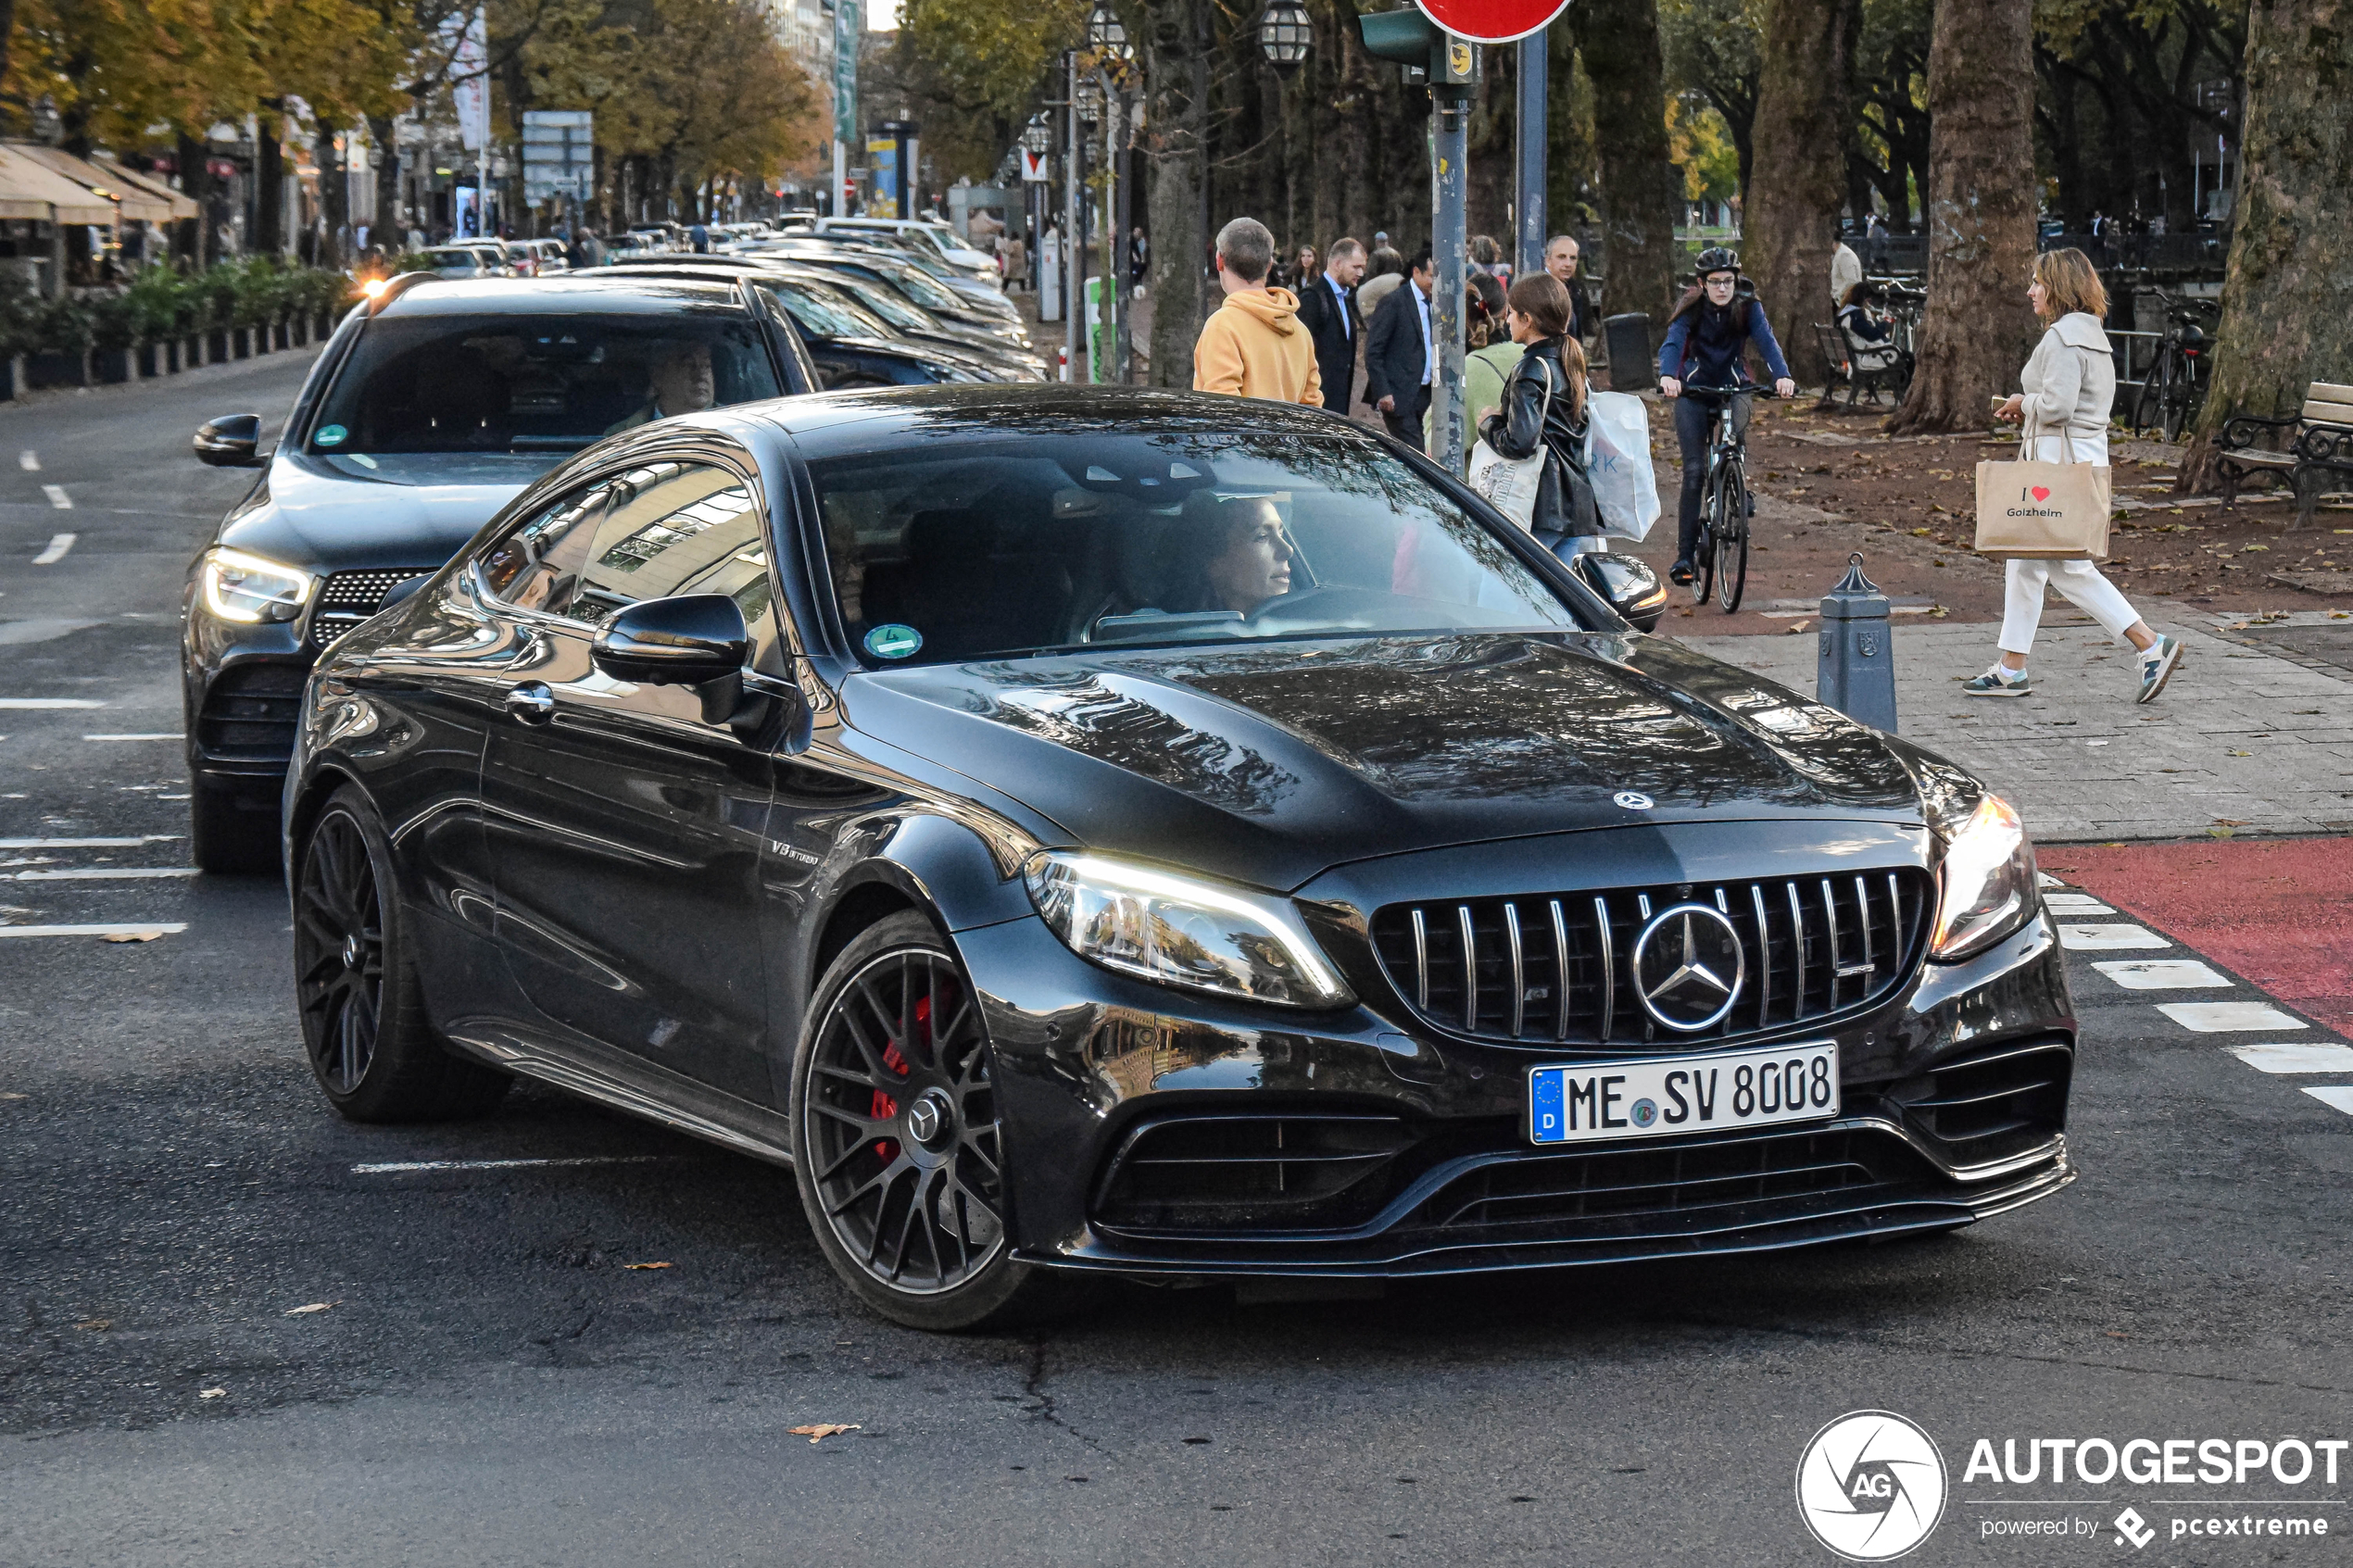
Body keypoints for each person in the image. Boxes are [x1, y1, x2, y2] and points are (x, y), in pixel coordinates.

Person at [1965, 248, 2183, 703]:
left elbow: (2059, 407)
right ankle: (2011, 667)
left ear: (2059, 288)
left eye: (2038, 282)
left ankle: (2149, 644)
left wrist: (2023, 403)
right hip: (2080, 455)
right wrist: (2024, 402)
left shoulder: (2061, 338)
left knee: (2066, 565)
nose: (2030, 290)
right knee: (2024, 560)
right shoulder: (2094, 335)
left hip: (2054, 460)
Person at [1655, 246, 1796, 584]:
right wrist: (1668, 376)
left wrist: (1782, 375)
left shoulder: (1749, 306)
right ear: (1702, 284)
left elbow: (1766, 341)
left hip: (1734, 386)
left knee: (1738, 420)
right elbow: (1673, 343)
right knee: (1693, 472)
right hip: (1693, 390)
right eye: (1715, 282)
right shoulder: (1690, 306)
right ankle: (1685, 557)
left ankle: (1737, 480)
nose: (1723, 289)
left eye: (1729, 281)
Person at [1477, 272, 1600, 558]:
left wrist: (1489, 422)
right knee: (1562, 598)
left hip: (1539, 503)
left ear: (1527, 319)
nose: (1506, 319)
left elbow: (1520, 442)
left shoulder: (1531, 368)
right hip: (1576, 506)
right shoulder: (1571, 362)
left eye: (1511, 313)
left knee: (1504, 590)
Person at [1191, 216, 1322, 406]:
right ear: (1269, 266)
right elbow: (1312, 407)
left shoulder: (1223, 326)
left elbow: (1222, 412)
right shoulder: (1300, 331)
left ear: (1219, 260)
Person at [1168, 495, 1295, 615]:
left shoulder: (1304, 628)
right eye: (1262, 537)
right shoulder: (1182, 635)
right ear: (1213, 563)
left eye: (1281, 534)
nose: (1288, 550)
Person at [1364, 249, 1437, 449]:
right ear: (1416, 273)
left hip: (1428, 396)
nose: (1435, 282)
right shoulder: (1393, 302)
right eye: (1432, 276)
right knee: (1417, 455)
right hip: (1400, 397)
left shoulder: (1438, 303)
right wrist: (1384, 392)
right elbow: (1373, 351)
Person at [1296, 236, 1365, 419]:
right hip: (1315, 408)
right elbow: (1299, 355)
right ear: (1338, 263)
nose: (1361, 273)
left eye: (1362, 268)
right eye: (1356, 267)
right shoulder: (1312, 299)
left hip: (1338, 408)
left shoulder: (1345, 299)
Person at [605, 342, 717, 433]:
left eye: (706, 366)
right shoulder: (620, 436)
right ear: (657, 376)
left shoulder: (732, 427)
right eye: (688, 365)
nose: (701, 376)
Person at [1542, 233, 1591, 342]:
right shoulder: (1538, 289)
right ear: (1548, 260)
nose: (1568, 263)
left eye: (1573, 258)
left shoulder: (1574, 289)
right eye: (1561, 257)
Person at [1356, 245, 1408, 320]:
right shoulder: (1397, 279)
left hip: (1367, 298)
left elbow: (1371, 272)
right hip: (1371, 306)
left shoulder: (1376, 254)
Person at [1831, 228, 1863, 309]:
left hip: (1844, 304)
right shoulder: (1837, 254)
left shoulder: (1844, 255)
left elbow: (1852, 281)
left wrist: (1836, 295)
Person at [1128, 225, 1149, 291]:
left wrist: (1139, 260)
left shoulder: (1142, 241)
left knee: (1138, 268)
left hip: (1140, 262)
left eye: (1137, 232)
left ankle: (1135, 278)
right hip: (1135, 261)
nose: (1135, 233)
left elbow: (1141, 253)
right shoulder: (1133, 241)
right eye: (1134, 231)